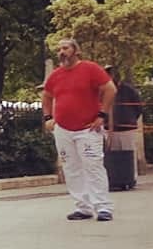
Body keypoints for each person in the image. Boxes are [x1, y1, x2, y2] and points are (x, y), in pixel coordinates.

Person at [42, 38, 117, 221]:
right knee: (71, 168)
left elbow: (110, 89)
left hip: (87, 129)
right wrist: (48, 118)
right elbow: (46, 95)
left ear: (76, 50)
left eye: (65, 48)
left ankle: (103, 207)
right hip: (63, 130)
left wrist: (102, 115)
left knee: (93, 166)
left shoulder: (90, 69)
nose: (62, 52)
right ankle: (82, 207)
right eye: (59, 49)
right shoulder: (55, 75)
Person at [103, 65, 143, 152]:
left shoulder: (129, 90)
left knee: (129, 155)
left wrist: (128, 119)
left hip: (127, 130)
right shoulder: (104, 90)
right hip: (109, 130)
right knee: (113, 157)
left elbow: (138, 108)